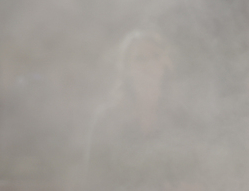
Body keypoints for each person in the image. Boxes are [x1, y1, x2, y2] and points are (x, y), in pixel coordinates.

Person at [82, 30, 205, 191]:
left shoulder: (181, 118)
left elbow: (196, 178)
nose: (149, 64)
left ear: (165, 64)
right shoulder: (107, 119)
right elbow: (92, 182)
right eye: (140, 59)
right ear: (127, 70)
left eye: (156, 56)